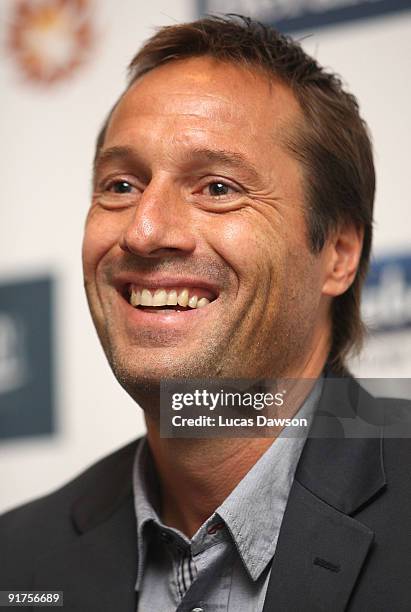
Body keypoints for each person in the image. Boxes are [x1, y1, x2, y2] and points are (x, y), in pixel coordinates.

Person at [1, 14, 410, 612]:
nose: (144, 230)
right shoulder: (18, 558)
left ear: (339, 255)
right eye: (120, 186)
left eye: (217, 188)